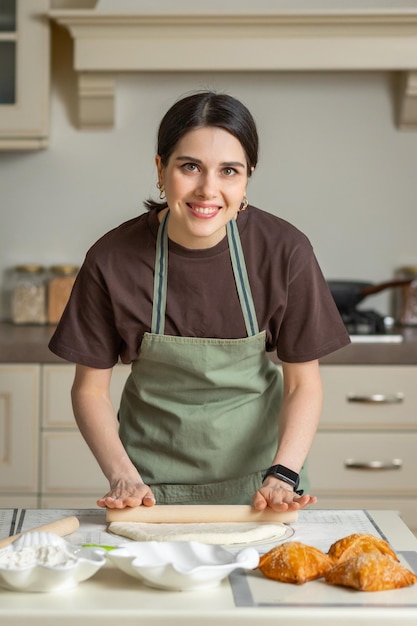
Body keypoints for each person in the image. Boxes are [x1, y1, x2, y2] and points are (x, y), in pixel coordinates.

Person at [49, 90, 350, 513]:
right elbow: (89, 392)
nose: (208, 190)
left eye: (229, 170)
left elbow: (303, 384)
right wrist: (123, 476)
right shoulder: (112, 259)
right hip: (148, 488)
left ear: (247, 178)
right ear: (160, 169)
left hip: (263, 489)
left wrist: (284, 472)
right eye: (190, 166)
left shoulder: (284, 252)